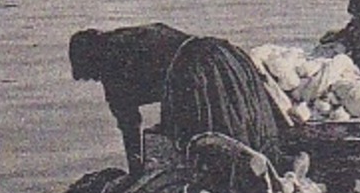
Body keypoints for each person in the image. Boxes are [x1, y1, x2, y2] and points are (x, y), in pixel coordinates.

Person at [69, 24, 284, 174]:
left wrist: (135, 173)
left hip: (200, 70)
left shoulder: (112, 63)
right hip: (225, 56)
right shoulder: (130, 38)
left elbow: (129, 126)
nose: (95, 79)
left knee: (209, 140)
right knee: (239, 123)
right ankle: (268, 166)